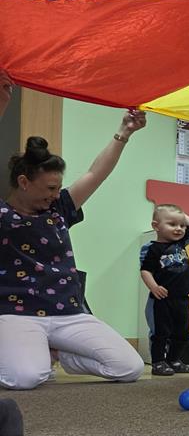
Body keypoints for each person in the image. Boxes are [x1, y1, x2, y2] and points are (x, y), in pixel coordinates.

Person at [0, 108, 147, 390]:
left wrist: (124, 133)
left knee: (129, 367)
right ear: (23, 182)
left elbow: (96, 173)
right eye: (51, 188)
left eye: (58, 188)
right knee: (26, 378)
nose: (56, 194)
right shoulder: (3, 215)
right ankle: (33, 356)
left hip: (68, 312)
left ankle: (62, 355)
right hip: (17, 313)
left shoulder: (60, 208)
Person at [140, 204, 189, 376]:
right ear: (155, 226)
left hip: (182, 297)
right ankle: (158, 362)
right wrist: (154, 287)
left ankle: (174, 359)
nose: (179, 228)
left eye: (181, 225)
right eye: (172, 224)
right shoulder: (151, 248)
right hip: (162, 299)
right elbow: (145, 271)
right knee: (160, 333)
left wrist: (179, 213)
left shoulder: (181, 243)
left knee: (182, 332)